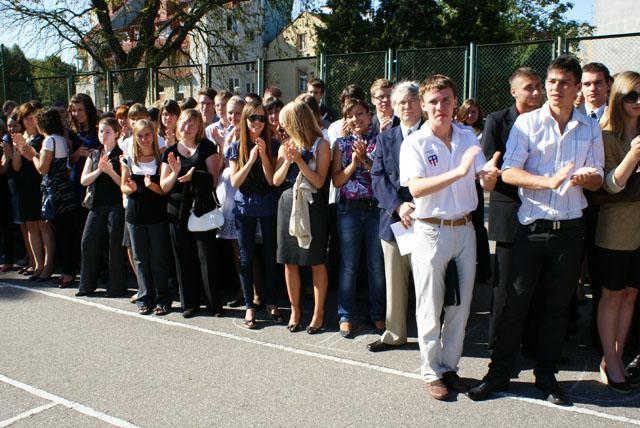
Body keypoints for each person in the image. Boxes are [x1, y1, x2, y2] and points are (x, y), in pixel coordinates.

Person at [468, 56, 604, 405]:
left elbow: (599, 174)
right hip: (531, 229)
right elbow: (509, 172)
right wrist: (546, 182)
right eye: (552, 81)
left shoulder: (589, 128)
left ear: (576, 89)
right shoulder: (527, 123)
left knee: (556, 308)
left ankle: (546, 376)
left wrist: (591, 178)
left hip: (571, 230)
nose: (556, 88)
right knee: (514, 304)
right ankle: (498, 374)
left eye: (564, 82)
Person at [399, 74, 499, 401]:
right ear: (423, 106)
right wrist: (458, 173)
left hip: (465, 229)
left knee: (461, 305)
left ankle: (450, 367)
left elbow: (484, 178)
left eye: (446, 100)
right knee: (429, 305)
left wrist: (489, 175)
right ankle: (431, 372)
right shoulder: (415, 142)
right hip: (430, 229)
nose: (440, 106)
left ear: (455, 102)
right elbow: (415, 188)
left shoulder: (468, 135)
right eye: (433, 101)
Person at [482, 67, 543, 350]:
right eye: (528, 87)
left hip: (541, 211)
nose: (536, 92)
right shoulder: (497, 121)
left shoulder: (548, 120)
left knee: (535, 285)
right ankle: (498, 343)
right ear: (514, 91)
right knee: (505, 286)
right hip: (508, 211)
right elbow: (489, 166)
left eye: (538, 86)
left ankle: (532, 344)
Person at [592, 71, 640, 393]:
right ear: (618, 98)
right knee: (612, 295)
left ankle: (619, 356)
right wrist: (634, 154)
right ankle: (608, 358)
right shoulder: (605, 134)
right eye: (632, 96)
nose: (638, 102)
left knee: (631, 295)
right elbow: (608, 186)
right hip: (614, 229)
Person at [369, 81, 423, 352]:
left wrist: (415, 208)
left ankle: (431, 336)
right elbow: (377, 177)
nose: (407, 106)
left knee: (428, 283)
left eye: (412, 100)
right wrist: (399, 207)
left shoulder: (433, 134)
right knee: (395, 281)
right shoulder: (385, 138)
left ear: (421, 103)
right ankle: (395, 334)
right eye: (401, 102)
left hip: (425, 219)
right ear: (394, 107)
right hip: (393, 220)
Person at [273, 101, 330, 334]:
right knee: (289, 260)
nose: (281, 125)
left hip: (311, 203)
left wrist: (299, 161)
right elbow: (275, 180)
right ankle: (295, 310)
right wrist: (288, 159)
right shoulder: (284, 146)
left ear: (296, 122)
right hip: (287, 202)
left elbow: (318, 181)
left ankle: (318, 313)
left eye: (285, 121)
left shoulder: (321, 145)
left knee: (315, 260)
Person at [160, 109, 223, 318]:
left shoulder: (207, 147)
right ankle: (190, 303)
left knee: (207, 257)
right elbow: (164, 186)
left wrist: (193, 177)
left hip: (201, 210)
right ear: (178, 125)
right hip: (177, 211)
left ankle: (214, 304)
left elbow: (213, 180)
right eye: (185, 123)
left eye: (193, 125)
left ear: (199, 129)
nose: (188, 128)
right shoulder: (169, 152)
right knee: (183, 258)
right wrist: (177, 173)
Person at [332, 98, 385, 338]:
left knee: (375, 264)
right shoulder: (341, 144)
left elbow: (382, 174)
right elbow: (336, 180)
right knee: (349, 264)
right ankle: (345, 314)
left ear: (369, 114)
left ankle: (378, 313)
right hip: (349, 209)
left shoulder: (380, 140)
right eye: (351, 115)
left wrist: (365, 159)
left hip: (375, 208)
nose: (356, 119)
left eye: (360, 113)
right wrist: (353, 164)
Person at [227, 101, 282, 328]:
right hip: (243, 207)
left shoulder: (274, 144)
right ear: (245, 121)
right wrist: (250, 160)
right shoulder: (235, 147)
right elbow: (235, 182)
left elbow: (271, 181)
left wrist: (264, 156)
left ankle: (272, 303)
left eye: (261, 118)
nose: (258, 122)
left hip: (268, 205)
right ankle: (249, 306)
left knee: (270, 257)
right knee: (246, 258)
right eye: (253, 118)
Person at [22, 108, 81, 287]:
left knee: (63, 233)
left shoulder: (49, 140)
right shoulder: (61, 139)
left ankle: (67, 272)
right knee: (68, 233)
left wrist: (31, 154)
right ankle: (68, 270)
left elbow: (42, 168)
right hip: (65, 190)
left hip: (55, 192)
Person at [121, 120, 171, 316]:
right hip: (135, 215)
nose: (143, 139)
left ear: (153, 136)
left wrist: (152, 187)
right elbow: (123, 187)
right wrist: (130, 188)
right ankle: (144, 298)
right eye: (139, 136)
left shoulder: (161, 160)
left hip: (157, 215)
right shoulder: (128, 159)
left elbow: (164, 191)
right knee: (140, 259)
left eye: (147, 135)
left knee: (159, 258)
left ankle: (163, 299)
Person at [76, 117, 126, 297]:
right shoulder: (95, 154)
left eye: (107, 132)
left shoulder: (121, 154)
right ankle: (86, 286)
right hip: (96, 205)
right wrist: (99, 170)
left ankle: (116, 287)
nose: (103, 135)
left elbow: (123, 184)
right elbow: (84, 180)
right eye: (101, 132)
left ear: (117, 134)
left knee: (114, 244)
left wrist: (110, 171)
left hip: (116, 205)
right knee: (87, 240)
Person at [11, 102, 55, 281]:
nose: (30, 120)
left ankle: (49, 264)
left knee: (43, 224)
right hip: (25, 187)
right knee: (30, 225)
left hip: (40, 184)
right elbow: (16, 166)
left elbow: (39, 162)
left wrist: (27, 149)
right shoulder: (21, 137)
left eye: (33, 116)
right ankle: (37, 264)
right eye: (26, 116)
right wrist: (17, 148)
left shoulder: (43, 138)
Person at [1, 113, 34, 275]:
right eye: (9, 125)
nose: (12, 128)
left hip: (25, 184)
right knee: (21, 225)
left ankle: (34, 260)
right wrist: (7, 155)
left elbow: (16, 166)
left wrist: (11, 153)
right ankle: (30, 259)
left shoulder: (23, 140)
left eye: (15, 125)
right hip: (12, 185)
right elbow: (4, 167)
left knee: (31, 224)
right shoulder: (6, 140)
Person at [68, 94, 100, 200]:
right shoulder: (72, 132)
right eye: (74, 110)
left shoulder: (99, 128)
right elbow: (70, 160)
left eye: (80, 109)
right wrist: (78, 153)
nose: (77, 113)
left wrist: (93, 154)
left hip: (95, 177)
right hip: (77, 178)